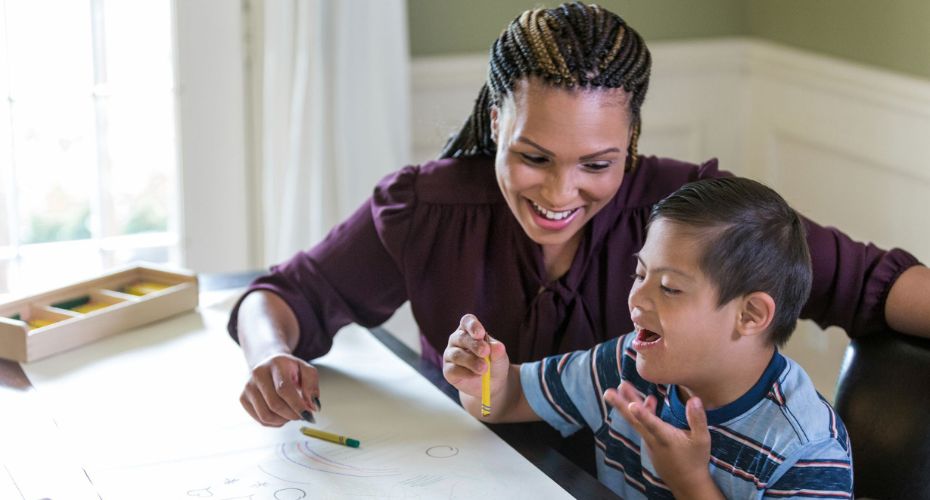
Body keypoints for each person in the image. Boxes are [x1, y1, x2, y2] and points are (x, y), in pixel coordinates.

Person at [228, 2, 927, 429]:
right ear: (497, 120)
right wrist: (273, 357)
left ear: (632, 139)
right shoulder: (425, 208)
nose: (561, 193)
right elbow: (284, 296)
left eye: (597, 164)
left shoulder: (699, 215)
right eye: (534, 157)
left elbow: (872, 281)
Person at [443, 176, 853, 498]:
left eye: (670, 287)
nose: (638, 296)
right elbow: (507, 399)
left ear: (750, 314)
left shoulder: (807, 450)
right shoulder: (625, 364)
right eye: (640, 274)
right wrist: (484, 379)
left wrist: (689, 483)